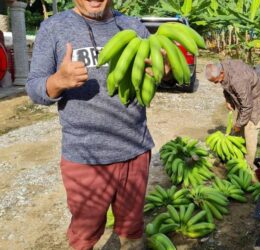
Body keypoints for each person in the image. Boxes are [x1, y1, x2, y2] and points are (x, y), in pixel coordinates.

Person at [26, 0, 170, 249]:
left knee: (132, 229)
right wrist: (58, 81)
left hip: (135, 150)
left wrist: (163, 71)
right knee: (85, 234)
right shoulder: (54, 28)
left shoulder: (133, 26)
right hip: (85, 155)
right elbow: (34, 87)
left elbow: (154, 78)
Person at [205, 60, 260, 174]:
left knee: (250, 129)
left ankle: (248, 167)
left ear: (221, 73)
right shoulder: (223, 68)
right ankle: (236, 157)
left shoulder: (238, 80)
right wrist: (228, 100)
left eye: (216, 81)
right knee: (240, 131)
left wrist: (239, 124)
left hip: (257, 97)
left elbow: (247, 106)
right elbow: (225, 85)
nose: (217, 83)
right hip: (247, 97)